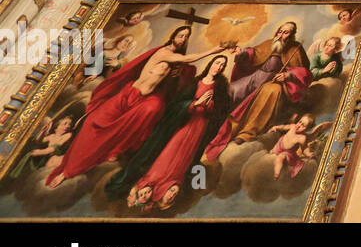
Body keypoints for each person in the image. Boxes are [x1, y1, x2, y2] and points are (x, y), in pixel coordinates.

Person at [47, 25, 231, 187]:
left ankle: (115, 150)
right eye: (181, 35)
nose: (183, 39)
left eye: (186, 37)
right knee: (94, 123)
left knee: (154, 109)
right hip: (130, 95)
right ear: (173, 36)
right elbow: (188, 59)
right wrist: (214, 50)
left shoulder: (174, 61)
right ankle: (68, 168)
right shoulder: (164, 52)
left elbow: (175, 80)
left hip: (147, 99)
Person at [114, 54, 231, 210]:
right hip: (186, 122)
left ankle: (167, 187)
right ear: (211, 63)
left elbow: (220, 110)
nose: (219, 67)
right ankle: (151, 182)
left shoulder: (220, 87)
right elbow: (178, 104)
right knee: (170, 151)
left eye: (223, 65)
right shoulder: (196, 82)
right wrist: (196, 103)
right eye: (218, 63)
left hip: (200, 125)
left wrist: (209, 105)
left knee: (185, 155)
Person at [203, 22, 312, 160]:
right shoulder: (270, 43)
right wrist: (241, 52)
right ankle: (215, 124)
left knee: (271, 91)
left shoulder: (296, 49)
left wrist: (287, 75)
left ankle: (246, 133)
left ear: (291, 35)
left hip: (274, 82)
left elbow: (305, 73)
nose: (281, 35)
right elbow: (255, 53)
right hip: (256, 77)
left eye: (286, 32)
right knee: (232, 89)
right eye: (280, 31)